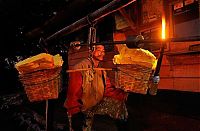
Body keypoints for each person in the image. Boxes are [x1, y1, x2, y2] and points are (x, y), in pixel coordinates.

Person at [64, 44, 128, 131]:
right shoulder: (80, 68)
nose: (102, 53)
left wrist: (122, 94)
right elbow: (73, 93)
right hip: (81, 108)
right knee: (80, 127)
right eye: (99, 50)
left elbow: (107, 89)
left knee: (119, 104)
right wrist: (75, 112)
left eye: (103, 51)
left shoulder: (101, 71)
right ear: (91, 51)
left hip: (94, 104)